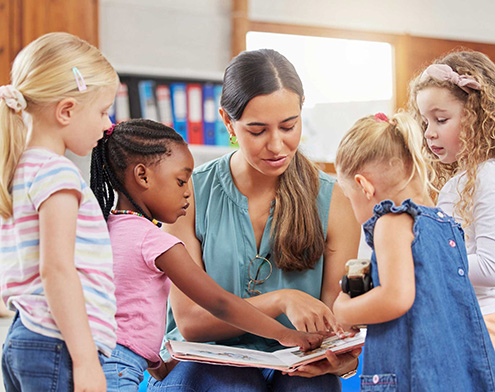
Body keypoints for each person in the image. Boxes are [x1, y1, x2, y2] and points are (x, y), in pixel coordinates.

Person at [149, 49, 362, 392]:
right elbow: (190, 322)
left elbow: (333, 318)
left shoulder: (334, 199)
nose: (276, 145)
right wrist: (281, 299)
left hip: (295, 364)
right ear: (228, 122)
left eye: (289, 126)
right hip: (209, 364)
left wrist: (342, 359)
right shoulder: (187, 193)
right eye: (257, 130)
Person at [90, 118, 325, 391]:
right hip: (119, 370)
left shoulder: (104, 229)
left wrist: (159, 366)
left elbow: (129, 318)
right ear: (143, 176)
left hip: (92, 356)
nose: (190, 193)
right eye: (180, 181)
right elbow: (219, 303)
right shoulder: (156, 242)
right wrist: (284, 334)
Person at [332, 112, 495, 391]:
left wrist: (345, 310)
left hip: (412, 375)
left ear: (363, 186)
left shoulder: (390, 222)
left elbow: (396, 298)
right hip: (458, 373)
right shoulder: (445, 225)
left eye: (350, 199)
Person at [0, 32, 119, 391]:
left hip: (25, 337)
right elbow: (57, 269)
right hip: (57, 342)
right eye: (102, 111)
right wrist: (85, 361)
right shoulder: (57, 173)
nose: (107, 124)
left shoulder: (18, 169)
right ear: (66, 110)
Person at [409, 50, 495, 346]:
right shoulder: (463, 181)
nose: (429, 134)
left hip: (485, 323)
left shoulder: (488, 178)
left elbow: (490, 266)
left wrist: (423, 260)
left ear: (476, 117)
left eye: (441, 120)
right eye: (425, 122)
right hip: (465, 317)